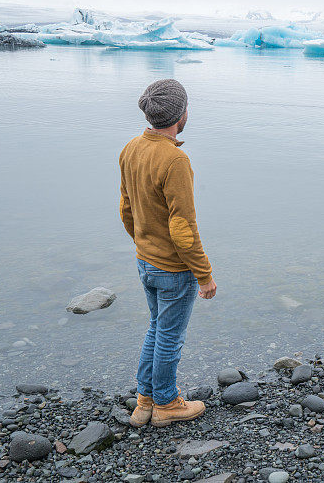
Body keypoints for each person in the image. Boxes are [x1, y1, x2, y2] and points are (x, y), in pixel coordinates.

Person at [119, 79, 217, 428]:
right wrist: (203, 274)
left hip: (144, 261)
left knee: (156, 328)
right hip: (173, 269)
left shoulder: (131, 148)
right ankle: (166, 403)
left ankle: (144, 400)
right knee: (170, 336)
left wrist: (145, 246)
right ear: (182, 115)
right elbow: (182, 228)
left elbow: (126, 209)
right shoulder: (175, 159)